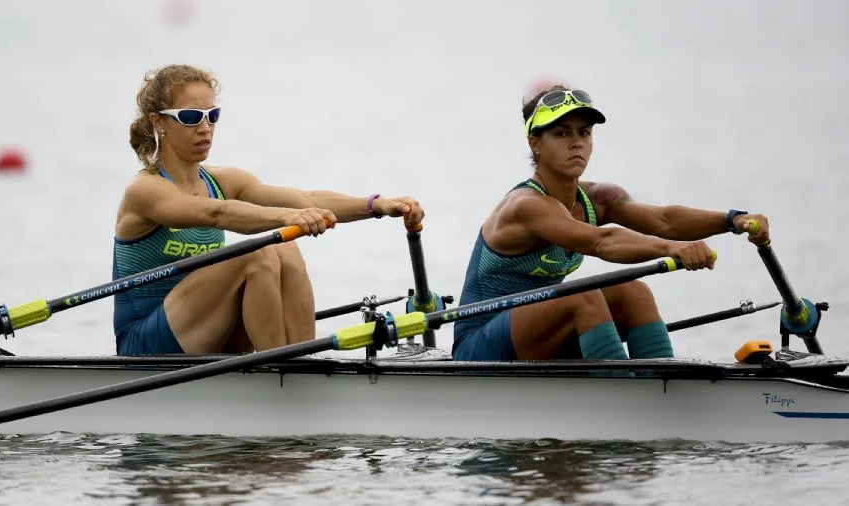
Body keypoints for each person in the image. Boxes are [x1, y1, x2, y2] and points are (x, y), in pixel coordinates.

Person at [114, 64, 424, 356]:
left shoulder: (224, 180)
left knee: (285, 249)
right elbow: (216, 214)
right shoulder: (145, 190)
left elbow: (303, 199)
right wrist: (287, 219)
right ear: (158, 122)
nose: (205, 128)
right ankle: (282, 374)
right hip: (144, 340)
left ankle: (302, 365)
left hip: (205, 328)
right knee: (258, 252)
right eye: (192, 116)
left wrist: (376, 206)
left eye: (213, 115)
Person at [452, 85, 770, 363]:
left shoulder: (600, 197)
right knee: (582, 296)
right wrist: (675, 250)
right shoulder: (525, 205)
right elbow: (601, 242)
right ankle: (626, 398)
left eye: (584, 132)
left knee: (635, 293)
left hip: (538, 332)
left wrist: (733, 220)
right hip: (479, 344)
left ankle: (660, 388)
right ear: (536, 143)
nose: (576, 143)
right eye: (561, 133)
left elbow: (664, 221)